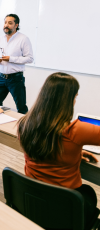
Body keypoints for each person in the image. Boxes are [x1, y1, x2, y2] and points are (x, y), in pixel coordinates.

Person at [18, 72, 100, 228]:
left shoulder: (25, 123)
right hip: (64, 206)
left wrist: (72, 151)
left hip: (32, 198)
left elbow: (46, 145)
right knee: (89, 193)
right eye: (75, 97)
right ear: (67, 101)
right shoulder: (75, 130)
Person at [0, 14, 34, 114]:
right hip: (1, 77)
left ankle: (24, 129)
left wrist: (11, 59)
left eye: (10, 23)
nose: (6, 25)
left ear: (16, 25)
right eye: (5, 22)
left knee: (21, 107)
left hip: (16, 79)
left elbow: (30, 58)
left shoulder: (23, 39)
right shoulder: (0, 39)